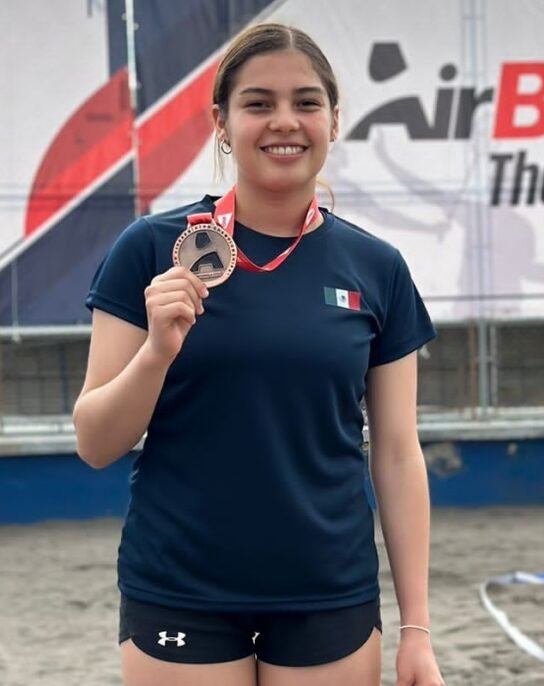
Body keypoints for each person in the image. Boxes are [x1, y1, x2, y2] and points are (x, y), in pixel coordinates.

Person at [72, 23, 444, 686]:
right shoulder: (151, 251)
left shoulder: (377, 268)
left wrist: (416, 627)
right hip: (181, 588)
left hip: (326, 591)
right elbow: (97, 441)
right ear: (221, 121)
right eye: (258, 103)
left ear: (334, 119)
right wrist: (157, 350)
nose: (284, 122)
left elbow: (395, 452)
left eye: (305, 102)